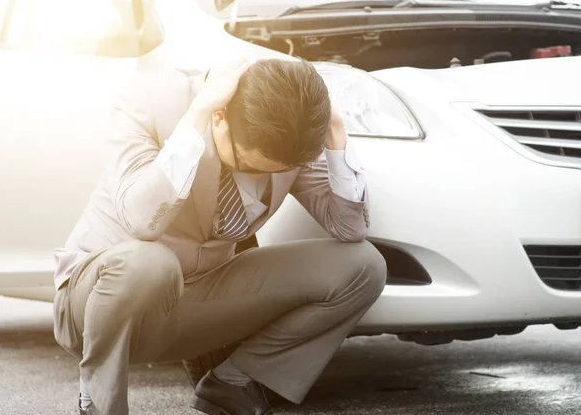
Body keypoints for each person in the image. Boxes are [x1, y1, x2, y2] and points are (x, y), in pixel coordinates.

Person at [52, 57, 387, 415]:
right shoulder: (150, 102)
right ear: (220, 117)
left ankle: (235, 382)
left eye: (274, 172)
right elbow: (142, 222)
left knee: (363, 265)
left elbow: (350, 228)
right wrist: (196, 120)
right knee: (150, 263)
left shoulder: (287, 138)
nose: (259, 179)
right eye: (250, 166)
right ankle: (99, 402)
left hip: (196, 302)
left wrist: (335, 131)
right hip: (98, 305)